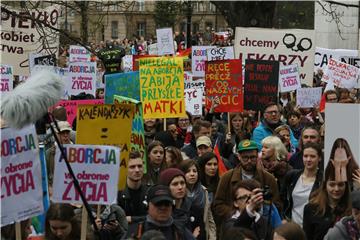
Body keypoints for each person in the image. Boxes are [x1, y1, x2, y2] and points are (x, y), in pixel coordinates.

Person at [213, 139, 281, 225]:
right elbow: (218, 205)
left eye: (252, 157)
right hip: (235, 226)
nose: (249, 161)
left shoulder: (268, 178)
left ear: (257, 156)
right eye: (245, 157)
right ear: (239, 157)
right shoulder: (227, 178)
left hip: (261, 227)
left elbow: (277, 204)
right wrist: (239, 213)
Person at [124, 184, 195, 239]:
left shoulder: (181, 232)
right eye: (158, 203)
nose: (163, 207)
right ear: (147, 206)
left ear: (172, 206)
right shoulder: (134, 232)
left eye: (167, 204)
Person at [303, 163, 352, 240]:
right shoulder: (311, 208)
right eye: (332, 185)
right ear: (325, 186)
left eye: (340, 185)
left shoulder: (353, 209)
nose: (336, 189)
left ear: (346, 186)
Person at [281, 142, 323, 226]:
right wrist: (284, 218)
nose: (308, 159)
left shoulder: (323, 180)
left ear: (319, 158)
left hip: (312, 228)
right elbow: (283, 200)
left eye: (312, 156)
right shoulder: (292, 176)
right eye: (305, 156)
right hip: (292, 226)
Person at [179, 159, 216, 240]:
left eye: (194, 171)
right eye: (188, 171)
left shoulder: (203, 191)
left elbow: (209, 218)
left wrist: (212, 237)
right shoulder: (178, 193)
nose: (192, 174)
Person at [117, 151, 148, 225]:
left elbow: (154, 217)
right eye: (132, 167)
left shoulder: (150, 191)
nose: (137, 170)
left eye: (140, 166)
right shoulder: (117, 193)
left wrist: (131, 219)